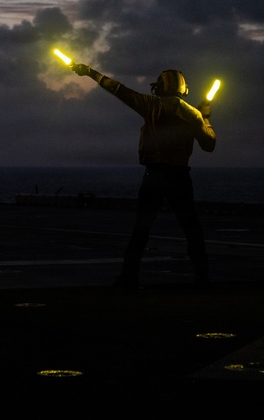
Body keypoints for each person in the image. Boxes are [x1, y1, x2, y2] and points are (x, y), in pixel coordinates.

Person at [71, 63, 216, 288]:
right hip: (179, 177)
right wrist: (205, 118)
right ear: (183, 89)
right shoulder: (193, 113)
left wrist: (90, 72)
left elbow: (116, 88)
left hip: (154, 175)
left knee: (141, 229)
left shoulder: (150, 105)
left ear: (161, 87)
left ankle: (129, 277)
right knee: (191, 229)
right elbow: (209, 145)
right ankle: (202, 277)